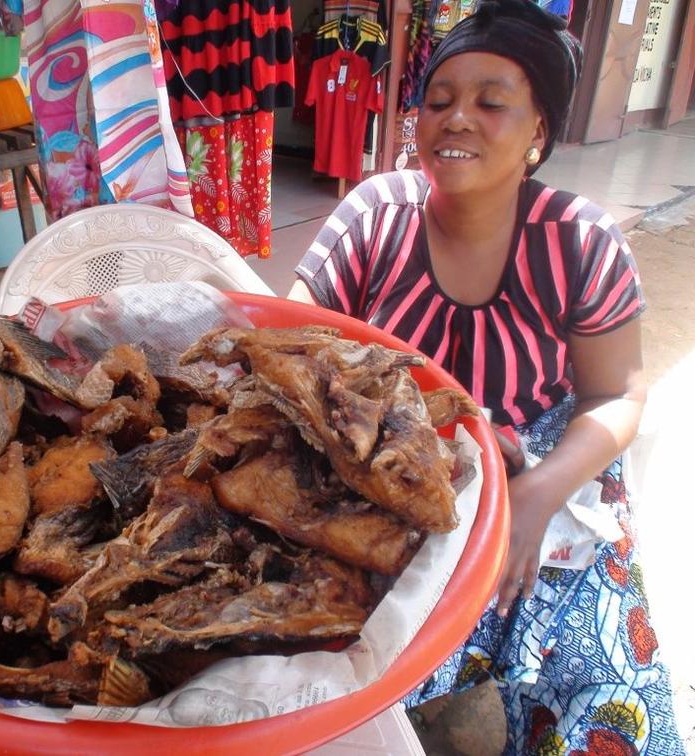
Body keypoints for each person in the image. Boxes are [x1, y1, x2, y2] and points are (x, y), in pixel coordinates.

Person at [288, 0, 684, 752]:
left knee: (603, 667)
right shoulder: (375, 214)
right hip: (390, 464)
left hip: (540, 459)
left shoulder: (579, 242)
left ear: (539, 132)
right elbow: (294, 346)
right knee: (347, 659)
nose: (456, 119)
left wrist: (533, 496)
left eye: (491, 102)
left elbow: (617, 395)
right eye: (438, 100)